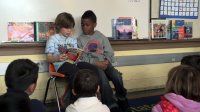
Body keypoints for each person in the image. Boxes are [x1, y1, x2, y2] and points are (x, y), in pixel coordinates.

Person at [77, 10, 130, 112]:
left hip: (105, 64)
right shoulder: (80, 39)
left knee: (116, 76)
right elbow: (81, 57)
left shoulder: (101, 37)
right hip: (92, 66)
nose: (84, 27)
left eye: (87, 25)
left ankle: (122, 98)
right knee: (102, 76)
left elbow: (109, 52)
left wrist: (106, 61)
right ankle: (110, 104)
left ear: (94, 24)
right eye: (82, 25)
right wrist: (96, 63)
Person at [45, 12, 99, 107]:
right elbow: (49, 58)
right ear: (59, 26)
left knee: (92, 69)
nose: (69, 31)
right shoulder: (53, 39)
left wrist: (79, 55)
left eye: (71, 28)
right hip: (59, 64)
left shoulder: (73, 40)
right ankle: (74, 102)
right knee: (76, 72)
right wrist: (57, 57)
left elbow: (75, 54)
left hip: (73, 63)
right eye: (66, 28)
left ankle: (91, 98)